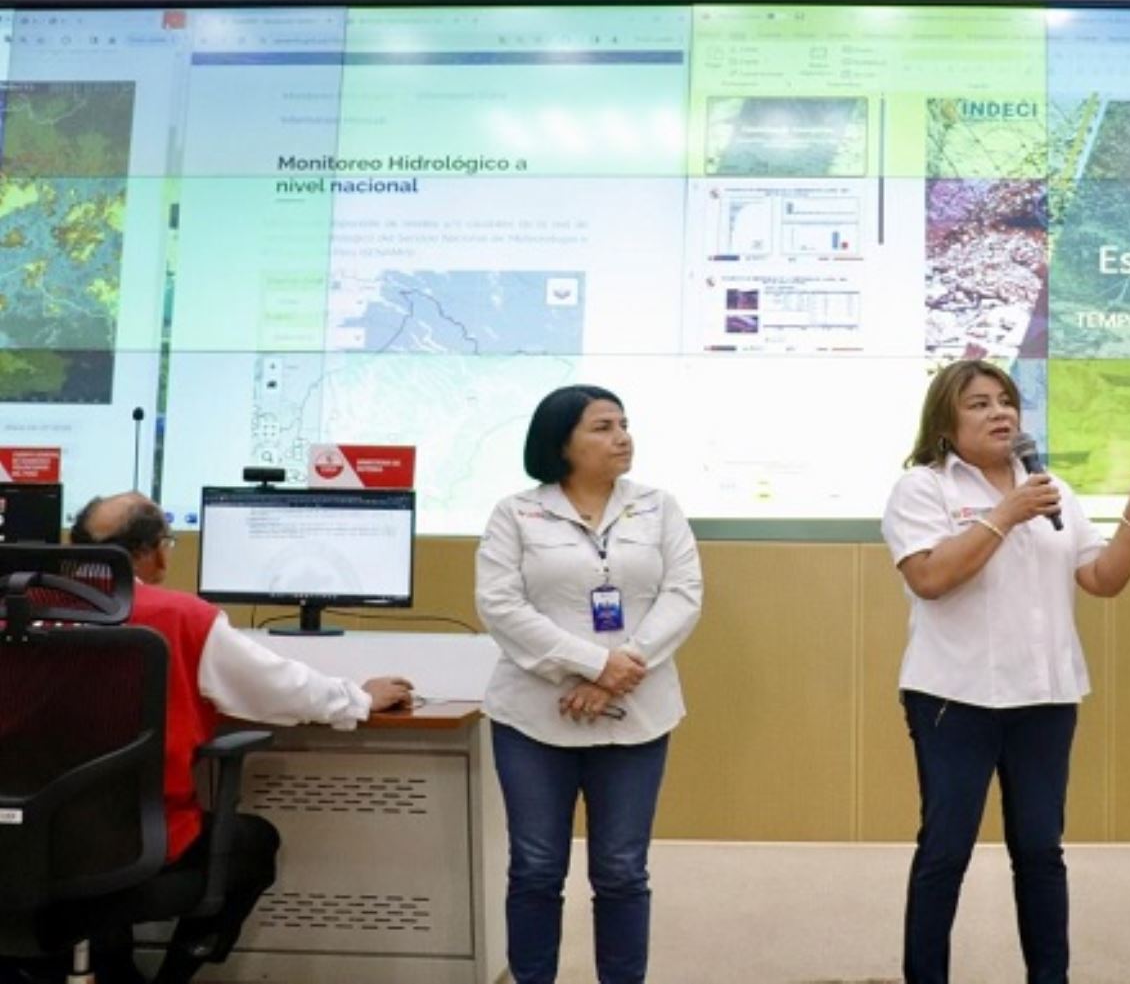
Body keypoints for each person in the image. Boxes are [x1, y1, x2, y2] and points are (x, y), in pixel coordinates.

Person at [881, 359, 1130, 984]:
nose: (1000, 413)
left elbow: (1101, 580)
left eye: (1006, 401)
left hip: (1045, 696)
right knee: (945, 851)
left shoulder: (1053, 487)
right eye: (980, 404)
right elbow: (930, 579)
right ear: (945, 421)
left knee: (1041, 851)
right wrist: (1004, 514)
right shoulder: (924, 488)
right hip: (953, 697)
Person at [49, 492, 414, 984]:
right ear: (155, 551)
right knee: (254, 843)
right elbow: (281, 687)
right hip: (134, 840)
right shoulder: (181, 617)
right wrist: (358, 699)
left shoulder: (16, 609)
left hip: (26, 839)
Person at [475, 384, 702, 984]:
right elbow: (500, 605)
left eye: (624, 424)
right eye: (602, 426)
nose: (621, 436)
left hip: (637, 714)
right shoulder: (516, 513)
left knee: (623, 870)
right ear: (562, 443)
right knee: (535, 867)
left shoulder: (659, 506)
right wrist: (591, 665)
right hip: (532, 717)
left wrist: (620, 668)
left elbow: (683, 596)